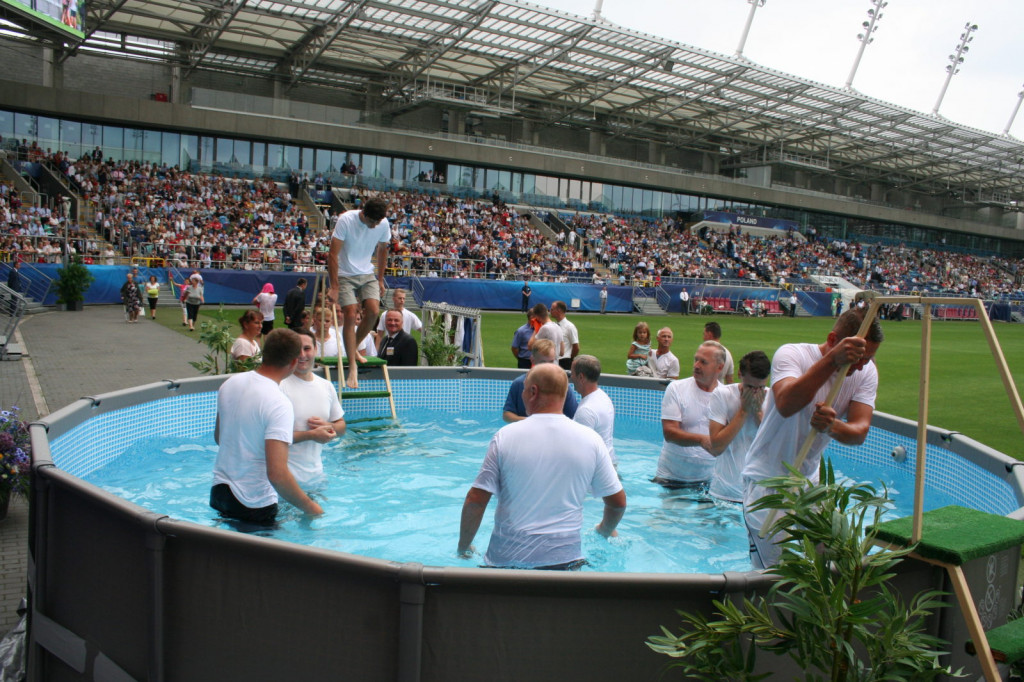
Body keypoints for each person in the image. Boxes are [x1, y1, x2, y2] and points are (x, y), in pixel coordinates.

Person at [742, 308, 883, 569]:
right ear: (833, 341)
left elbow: (860, 431)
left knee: (837, 560)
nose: (863, 365)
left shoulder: (866, 372)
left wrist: (833, 426)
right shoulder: (792, 354)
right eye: (858, 357)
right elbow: (786, 404)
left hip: (811, 482)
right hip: (767, 480)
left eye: (869, 357)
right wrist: (833, 361)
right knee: (775, 574)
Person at [458, 363, 626, 569]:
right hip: (565, 561)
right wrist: (603, 530)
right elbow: (617, 503)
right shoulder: (592, 440)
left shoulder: (505, 436)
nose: (521, 396)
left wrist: (463, 548)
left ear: (533, 392)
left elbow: (476, 500)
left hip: (506, 562)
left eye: (524, 389)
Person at [211, 328, 323, 525]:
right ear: (294, 361)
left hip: (220, 491)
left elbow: (219, 438)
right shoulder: (278, 403)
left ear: (264, 352)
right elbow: (278, 475)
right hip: (254, 501)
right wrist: (311, 507)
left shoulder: (230, 383)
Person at [326, 196, 391, 389]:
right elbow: (332, 253)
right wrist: (335, 286)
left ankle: (353, 347)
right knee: (351, 313)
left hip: (367, 272)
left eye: (378, 222)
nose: (375, 226)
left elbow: (382, 251)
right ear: (364, 213)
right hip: (345, 274)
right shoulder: (346, 219)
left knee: (373, 312)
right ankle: (352, 365)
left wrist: (379, 279)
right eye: (373, 221)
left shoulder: (382, 223)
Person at [653, 341, 726, 492]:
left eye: (703, 362)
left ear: (719, 367)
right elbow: (670, 433)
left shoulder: (726, 396)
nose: (696, 365)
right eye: (696, 359)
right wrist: (702, 440)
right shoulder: (677, 389)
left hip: (709, 479)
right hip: (672, 478)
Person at [280, 329, 346, 489]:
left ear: (315, 349)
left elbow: (341, 426)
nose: (302, 355)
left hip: (316, 477)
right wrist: (311, 435)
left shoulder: (326, 386)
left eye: (307, 349)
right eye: (296, 350)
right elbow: (269, 438)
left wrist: (329, 427)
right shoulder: (280, 385)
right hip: (284, 481)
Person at [707, 351, 771, 504]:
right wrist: (743, 411)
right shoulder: (722, 395)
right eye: (750, 386)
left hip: (757, 497)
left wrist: (757, 412)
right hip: (723, 493)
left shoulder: (774, 398)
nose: (755, 392)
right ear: (739, 374)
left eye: (760, 387)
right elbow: (716, 447)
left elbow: (773, 446)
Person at [503, 338, 577, 422]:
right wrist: (533, 422)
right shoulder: (519, 383)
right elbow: (507, 415)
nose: (548, 366)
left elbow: (573, 417)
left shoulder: (563, 386)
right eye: (543, 362)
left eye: (551, 361)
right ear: (532, 360)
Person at [571, 355, 617, 467]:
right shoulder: (603, 397)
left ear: (581, 377)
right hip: (609, 462)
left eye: (572, 373)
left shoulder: (586, 411)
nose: (571, 377)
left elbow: (582, 452)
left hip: (596, 471)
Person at [550, 300, 579, 371]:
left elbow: (576, 347)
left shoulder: (569, 327)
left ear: (559, 310)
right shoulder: (554, 325)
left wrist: (569, 357)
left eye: (552, 309)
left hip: (564, 361)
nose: (550, 311)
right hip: (554, 360)